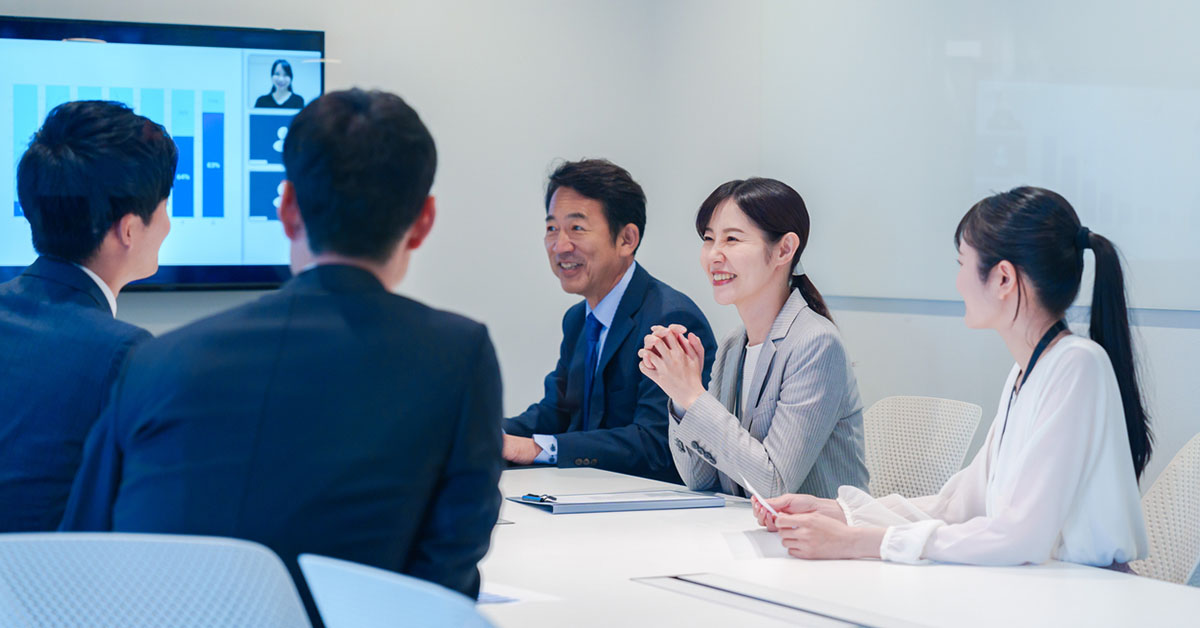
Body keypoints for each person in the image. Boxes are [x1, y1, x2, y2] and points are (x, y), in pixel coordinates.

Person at [60, 89, 503, 624]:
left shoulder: (157, 361)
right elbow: (442, 592)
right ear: (424, 220)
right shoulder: (457, 357)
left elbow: (80, 555)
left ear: (287, 206)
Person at [754, 186, 1151, 569]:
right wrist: (841, 512)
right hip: (1045, 591)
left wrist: (859, 541)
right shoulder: (1028, 371)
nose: (958, 281)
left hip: (1088, 599)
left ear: (1003, 279)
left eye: (962, 264)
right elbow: (960, 505)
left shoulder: (1077, 365)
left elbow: (1019, 537)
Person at [0, 101, 175, 532]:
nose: (169, 224)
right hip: (54, 591)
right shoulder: (124, 354)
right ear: (130, 229)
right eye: (166, 206)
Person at [638, 178, 868, 499]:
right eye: (708, 239)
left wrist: (693, 395)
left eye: (732, 239)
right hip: (747, 532)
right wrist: (680, 398)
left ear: (784, 249)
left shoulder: (816, 343)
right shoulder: (734, 345)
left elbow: (773, 486)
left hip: (817, 543)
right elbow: (699, 479)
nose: (714, 255)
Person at [503, 159, 717, 483]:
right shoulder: (577, 320)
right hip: (587, 496)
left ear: (627, 240)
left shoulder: (670, 319)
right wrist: (479, 435)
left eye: (577, 228)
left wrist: (539, 448)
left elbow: (656, 442)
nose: (560, 246)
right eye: (551, 229)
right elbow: (555, 413)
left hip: (653, 512)